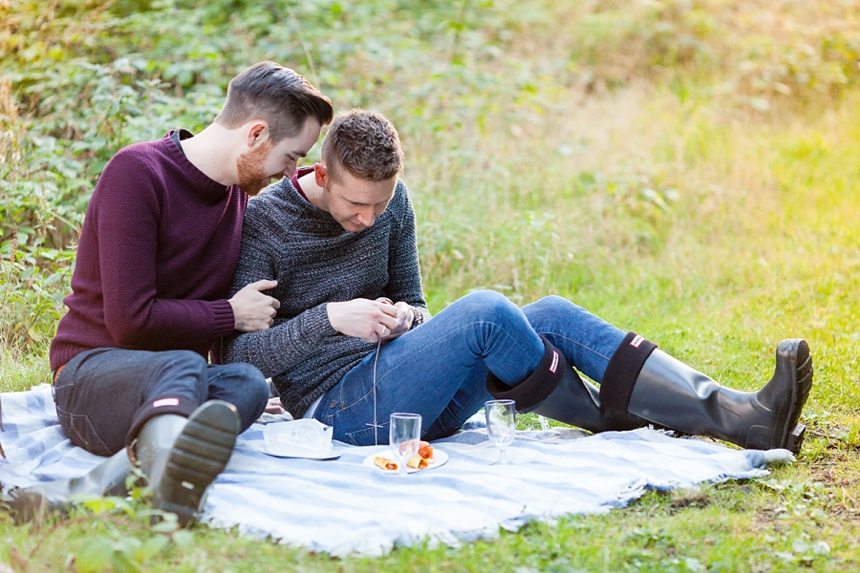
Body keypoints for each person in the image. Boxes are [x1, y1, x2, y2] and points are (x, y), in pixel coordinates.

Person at [221, 109, 812, 459]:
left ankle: (737, 413)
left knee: (551, 312)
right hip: (346, 412)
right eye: (356, 203)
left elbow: (419, 305)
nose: (370, 218)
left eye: (382, 203)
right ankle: (625, 419)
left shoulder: (392, 203)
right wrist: (330, 318)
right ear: (321, 173)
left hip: (412, 384)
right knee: (484, 312)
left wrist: (406, 318)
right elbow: (245, 355)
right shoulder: (268, 223)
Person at [5, 62, 334, 525]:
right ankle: (155, 491)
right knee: (185, 364)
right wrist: (229, 315)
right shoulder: (138, 174)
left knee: (245, 384)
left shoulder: (236, 195)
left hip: (167, 388)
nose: (289, 172)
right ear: (256, 134)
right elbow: (131, 321)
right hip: (89, 381)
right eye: (292, 156)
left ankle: (105, 484)